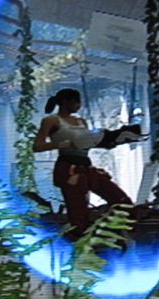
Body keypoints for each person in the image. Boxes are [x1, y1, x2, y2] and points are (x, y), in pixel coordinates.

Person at [33, 88, 136, 238]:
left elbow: (88, 142)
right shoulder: (51, 121)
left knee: (119, 198)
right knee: (77, 211)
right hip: (68, 167)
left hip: (86, 166)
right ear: (65, 102)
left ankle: (124, 229)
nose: (79, 105)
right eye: (76, 102)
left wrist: (109, 142)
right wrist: (65, 144)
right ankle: (78, 239)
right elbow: (38, 146)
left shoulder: (81, 121)